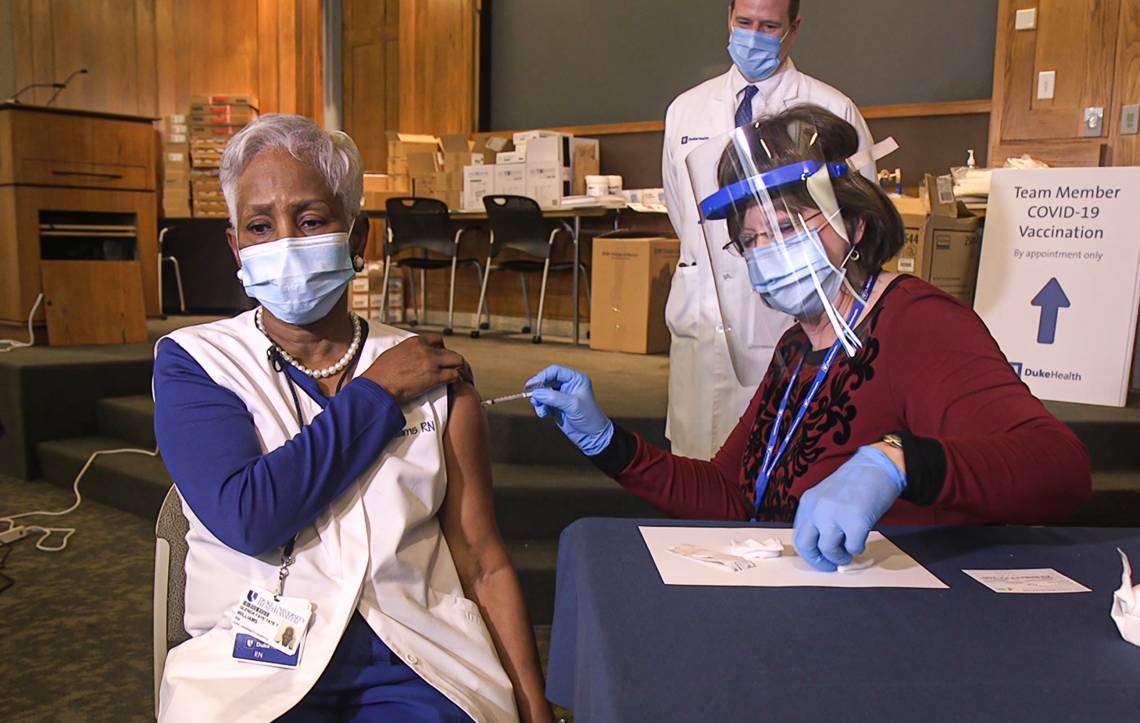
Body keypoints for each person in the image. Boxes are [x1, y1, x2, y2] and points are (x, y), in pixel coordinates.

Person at [531, 105, 1091, 572]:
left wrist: (896, 461)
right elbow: (731, 495)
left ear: (857, 225)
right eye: (750, 239)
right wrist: (605, 441)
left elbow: (1058, 469)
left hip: (896, 621)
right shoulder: (797, 346)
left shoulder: (918, 322)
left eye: (787, 226)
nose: (767, 250)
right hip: (793, 596)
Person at [152, 114, 552, 723]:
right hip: (256, 664)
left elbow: (482, 559)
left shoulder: (436, 376)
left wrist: (533, 707)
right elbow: (249, 516)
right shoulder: (197, 363)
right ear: (236, 248)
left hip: (414, 658)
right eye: (260, 226)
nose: (285, 240)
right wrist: (376, 392)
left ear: (357, 239)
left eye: (311, 220)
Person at [662, 0, 877, 460]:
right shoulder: (686, 110)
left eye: (768, 26)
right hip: (704, 321)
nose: (753, 35)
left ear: (793, 29)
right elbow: (682, 212)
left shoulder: (830, 109)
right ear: (728, 18)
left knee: (778, 461)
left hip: (787, 316)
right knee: (695, 466)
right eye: (744, 23)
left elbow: (859, 224)